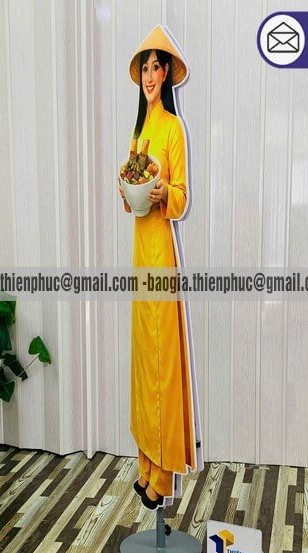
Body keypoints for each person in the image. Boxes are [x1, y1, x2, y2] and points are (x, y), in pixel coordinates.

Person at [117, 25, 202, 510]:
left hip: (161, 255)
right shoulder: (138, 132)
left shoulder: (173, 128)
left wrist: (163, 192)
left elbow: (181, 198)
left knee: (163, 360)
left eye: (156, 67)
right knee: (144, 360)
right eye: (145, 68)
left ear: (167, 73)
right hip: (139, 252)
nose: (150, 76)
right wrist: (126, 193)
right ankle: (146, 466)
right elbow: (133, 193)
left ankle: (164, 476)